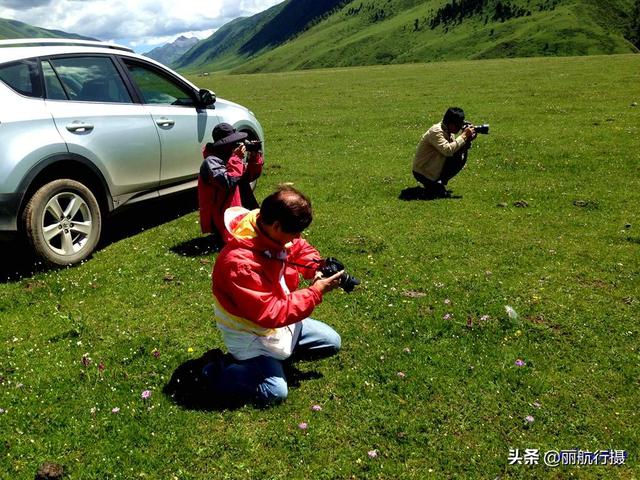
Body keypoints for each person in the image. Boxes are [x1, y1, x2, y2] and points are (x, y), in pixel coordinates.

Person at [205, 186, 345, 407]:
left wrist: (316, 268)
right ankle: (216, 369)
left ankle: (276, 359)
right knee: (274, 392)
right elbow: (269, 312)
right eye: (294, 232)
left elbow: (300, 249)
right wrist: (315, 292)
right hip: (251, 332)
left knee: (331, 342)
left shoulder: (271, 229)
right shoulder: (239, 263)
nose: (297, 237)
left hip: (281, 324)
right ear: (277, 226)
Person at [197, 122, 263, 245]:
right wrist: (237, 158)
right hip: (224, 214)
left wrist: (254, 158)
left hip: (239, 207)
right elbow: (227, 183)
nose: (235, 145)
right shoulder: (211, 162)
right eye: (232, 142)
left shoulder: (229, 158)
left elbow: (249, 177)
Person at [412, 107, 476, 198]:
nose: (459, 128)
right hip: (423, 172)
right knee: (437, 193)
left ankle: (438, 183)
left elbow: (454, 151)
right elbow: (447, 150)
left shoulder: (448, 131)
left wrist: (467, 140)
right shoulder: (436, 131)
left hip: (433, 167)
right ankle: (434, 185)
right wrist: (463, 136)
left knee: (459, 157)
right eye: (458, 125)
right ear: (450, 124)